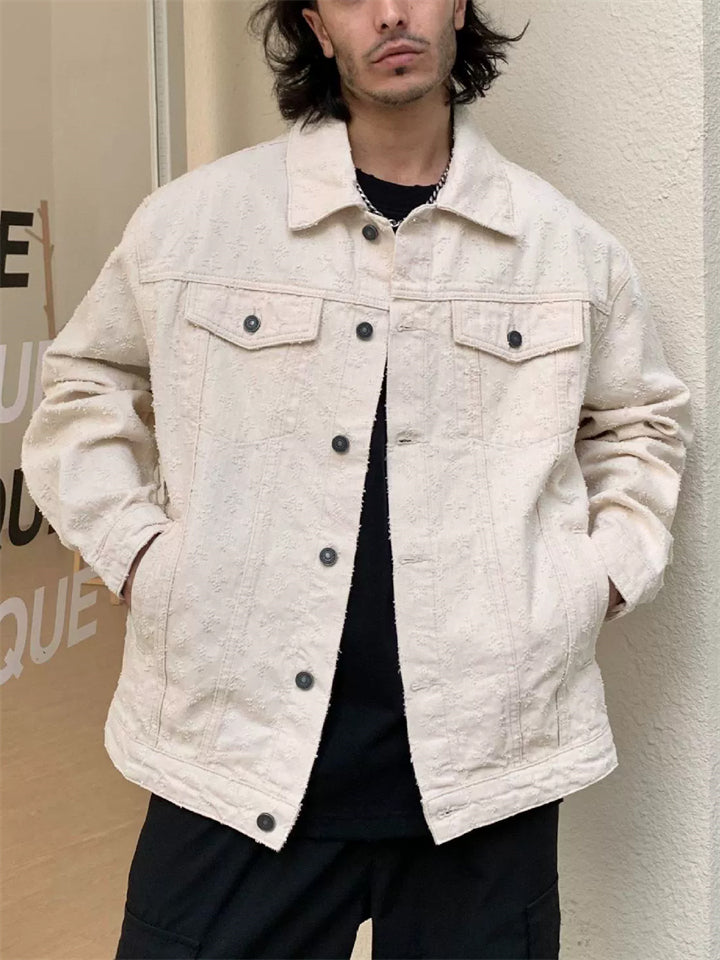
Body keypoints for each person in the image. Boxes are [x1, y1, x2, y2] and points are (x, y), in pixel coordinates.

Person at [20, 0, 694, 957]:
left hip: (484, 774)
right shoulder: (198, 223)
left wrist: (597, 579)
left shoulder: (562, 246)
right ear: (316, 23)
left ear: (458, 6)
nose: (389, 13)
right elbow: (86, 390)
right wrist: (141, 558)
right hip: (233, 756)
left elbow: (642, 424)